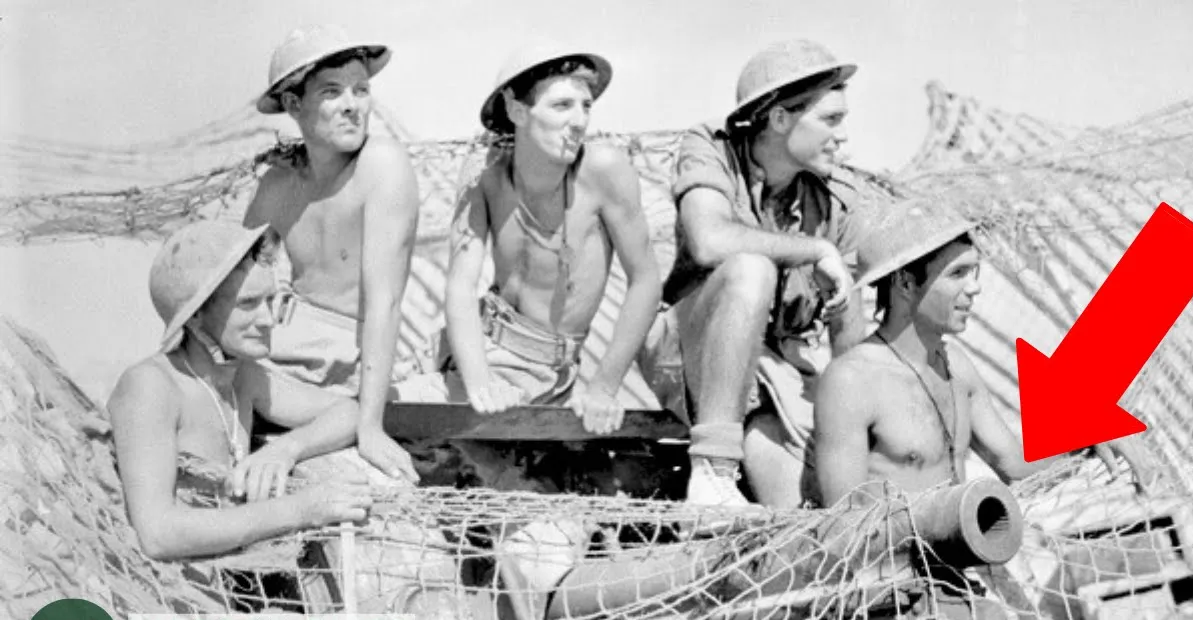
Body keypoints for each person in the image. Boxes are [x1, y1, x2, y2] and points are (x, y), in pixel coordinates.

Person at [810, 198, 1155, 620]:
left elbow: (1014, 464)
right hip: (889, 615)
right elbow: (846, 527)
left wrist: (1092, 434)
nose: (974, 288)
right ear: (905, 283)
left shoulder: (959, 369)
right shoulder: (852, 380)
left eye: (976, 273)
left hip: (965, 589)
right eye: (958, 274)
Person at [643, 39, 880, 507]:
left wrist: (856, 436)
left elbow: (847, 338)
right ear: (779, 119)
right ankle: (713, 472)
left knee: (811, 511)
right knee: (751, 270)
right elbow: (709, 239)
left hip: (782, 376)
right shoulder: (712, 148)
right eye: (830, 120)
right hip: (690, 350)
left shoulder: (837, 198)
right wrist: (814, 250)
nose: (842, 137)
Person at [108, 220, 371, 562]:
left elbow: (347, 412)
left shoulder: (242, 376)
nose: (268, 320)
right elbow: (158, 534)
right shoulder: (151, 386)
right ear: (195, 315)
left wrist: (286, 450)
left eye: (270, 301)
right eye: (248, 304)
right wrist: (300, 510)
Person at [439, 44, 661, 434]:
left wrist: (603, 388)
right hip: (467, 348)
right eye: (562, 106)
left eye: (586, 106)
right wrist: (479, 381)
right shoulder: (485, 173)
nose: (579, 121)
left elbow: (645, 280)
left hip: (535, 370)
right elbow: (460, 283)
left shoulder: (603, 170)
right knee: (379, 405)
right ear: (517, 111)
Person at [243, 25, 417, 481]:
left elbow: (384, 303)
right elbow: (236, 279)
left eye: (361, 89)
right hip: (279, 355)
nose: (352, 105)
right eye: (332, 92)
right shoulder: (279, 183)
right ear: (293, 105)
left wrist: (370, 426)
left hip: (347, 366)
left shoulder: (381, 165)